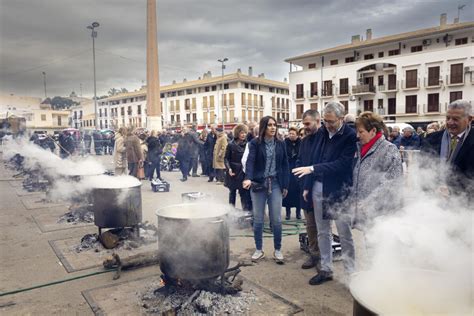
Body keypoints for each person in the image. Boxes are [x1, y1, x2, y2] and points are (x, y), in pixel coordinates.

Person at [293, 102, 357, 285]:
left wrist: (313, 169)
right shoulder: (321, 133)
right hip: (318, 187)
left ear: (341, 119)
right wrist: (307, 185)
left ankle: (351, 273)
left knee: (344, 233)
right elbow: (313, 157)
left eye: (331, 121)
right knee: (323, 231)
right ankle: (326, 269)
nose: (327, 125)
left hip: (339, 190)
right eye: (326, 121)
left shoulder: (350, 136)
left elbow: (343, 164)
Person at [243, 116, 289, 263]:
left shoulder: (281, 144)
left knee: (276, 219)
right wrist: (248, 178)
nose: (273, 127)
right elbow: (250, 162)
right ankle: (258, 249)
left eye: (274, 125)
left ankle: (278, 249)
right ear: (264, 127)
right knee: (258, 219)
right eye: (269, 125)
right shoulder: (254, 143)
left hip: (275, 183)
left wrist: (285, 184)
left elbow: (285, 165)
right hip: (258, 184)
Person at [351, 112, 403, 229]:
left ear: (373, 131)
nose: (358, 136)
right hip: (365, 212)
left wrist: (369, 201)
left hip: (381, 214)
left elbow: (392, 182)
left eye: (361, 132)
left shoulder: (389, 149)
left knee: (380, 245)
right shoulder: (361, 148)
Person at [422, 100, 473, 196]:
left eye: (455, 119)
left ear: (469, 119)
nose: (450, 122)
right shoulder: (431, 138)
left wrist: (452, 191)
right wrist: (431, 188)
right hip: (432, 200)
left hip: (464, 202)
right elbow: (422, 167)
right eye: (448, 118)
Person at [295, 109, 321, 270]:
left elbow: (316, 164)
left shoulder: (324, 139)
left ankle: (324, 259)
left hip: (318, 187)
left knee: (322, 226)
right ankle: (314, 254)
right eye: (303, 124)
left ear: (318, 121)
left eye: (308, 124)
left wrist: (307, 185)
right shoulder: (304, 141)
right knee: (310, 225)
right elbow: (300, 160)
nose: (305, 127)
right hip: (305, 187)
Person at [224, 124, 252, 211]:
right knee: (232, 192)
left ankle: (245, 212)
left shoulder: (248, 145)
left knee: (243, 193)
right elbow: (226, 158)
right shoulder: (230, 144)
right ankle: (231, 211)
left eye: (245, 133)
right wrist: (229, 168)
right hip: (233, 171)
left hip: (243, 171)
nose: (244, 135)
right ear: (237, 133)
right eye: (242, 133)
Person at [283, 127, 301, 220]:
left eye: (293, 134)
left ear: (297, 135)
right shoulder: (285, 143)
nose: (291, 135)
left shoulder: (301, 143)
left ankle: (298, 212)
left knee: (298, 192)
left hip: (298, 169)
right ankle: (288, 212)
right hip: (288, 168)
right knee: (288, 191)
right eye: (290, 133)